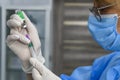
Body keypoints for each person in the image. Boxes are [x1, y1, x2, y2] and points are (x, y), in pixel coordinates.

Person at [6, 0, 120, 80]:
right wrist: (32, 62)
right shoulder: (112, 62)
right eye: (94, 9)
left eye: (101, 10)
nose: (95, 16)